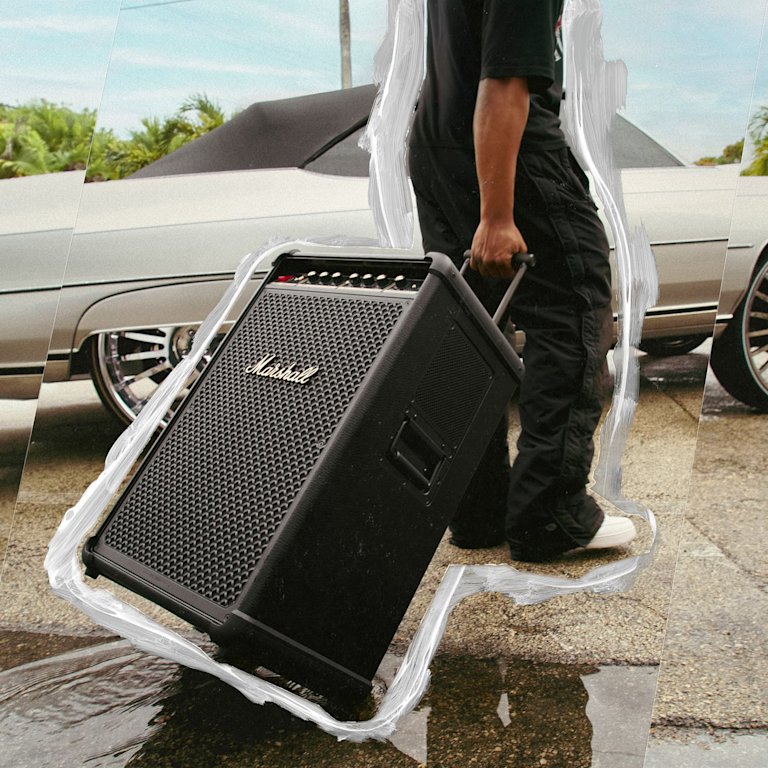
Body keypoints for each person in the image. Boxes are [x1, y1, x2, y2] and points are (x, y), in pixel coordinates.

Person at [408, 0, 636, 561]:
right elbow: (505, 77)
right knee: (575, 312)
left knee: (469, 334)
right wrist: (496, 215)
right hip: (512, 153)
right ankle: (548, 516)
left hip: (439, 148)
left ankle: (479, 511)